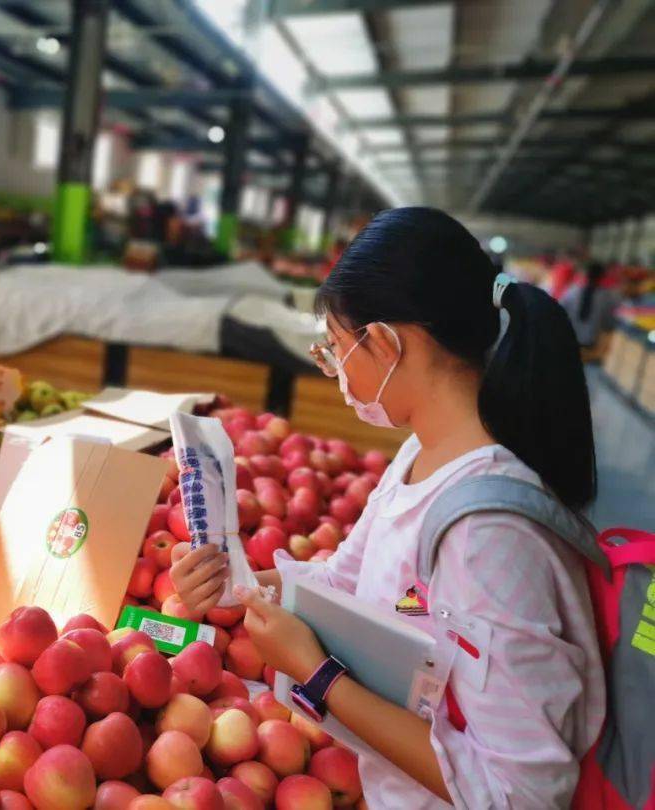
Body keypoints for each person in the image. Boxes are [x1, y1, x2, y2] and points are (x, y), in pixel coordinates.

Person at [171, 207, 604, 808]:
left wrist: (320, 676)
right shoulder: (417, 457)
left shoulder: (488, 534)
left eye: (337, 350)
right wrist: (236, 584)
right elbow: (344, 582)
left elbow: (521, 791)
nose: (337, 372)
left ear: (386, 342)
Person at [560, 261, 621, 349]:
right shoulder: (606, 297)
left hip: (568, 339)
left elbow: (559, 311)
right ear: (602, 277)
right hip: (590, 342)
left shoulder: (572, 291)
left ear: (586, 275)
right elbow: (609, 323)